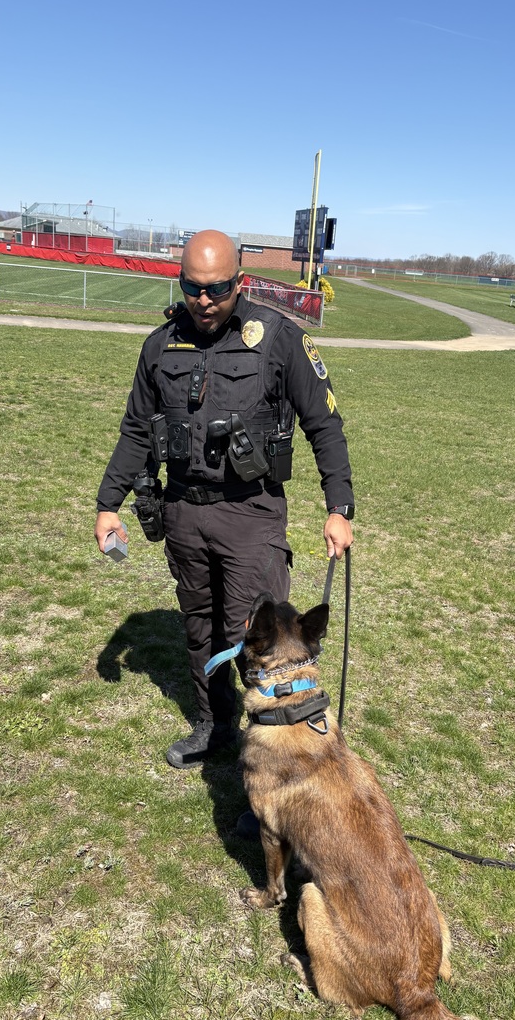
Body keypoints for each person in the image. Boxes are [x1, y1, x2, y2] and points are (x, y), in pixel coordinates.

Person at [95, 230, 353, 769]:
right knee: (200, 629)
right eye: (193, 286)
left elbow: (324, 424)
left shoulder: (279, 338)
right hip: (185, 511)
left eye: (217, 288)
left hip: (251, 513)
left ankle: (281, 765)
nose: (204, 300)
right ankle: (214, 728)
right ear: (180, 279)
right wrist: (107, 503)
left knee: (260, 641)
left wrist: (338, 506)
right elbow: (136, 430)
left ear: (239, 281)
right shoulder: (161, 345)